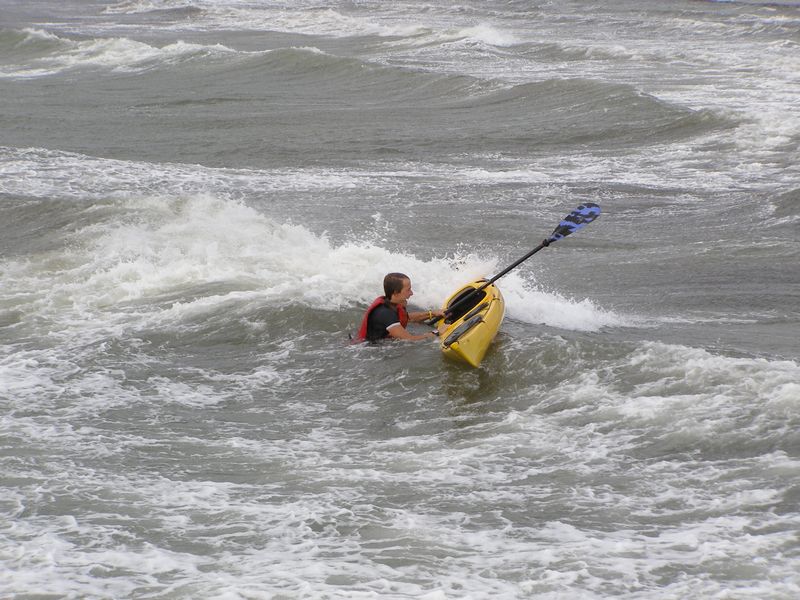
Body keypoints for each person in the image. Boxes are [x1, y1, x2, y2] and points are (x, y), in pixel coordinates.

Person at [356, 272, 445, 342]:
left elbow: (408, 318)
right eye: (408, 290)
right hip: (367, 349)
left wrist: (432, 313)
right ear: (395, 292)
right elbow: (410, 339)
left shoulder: (391, 303)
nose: (411, 293)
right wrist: (437, 332)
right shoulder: (385, 313)